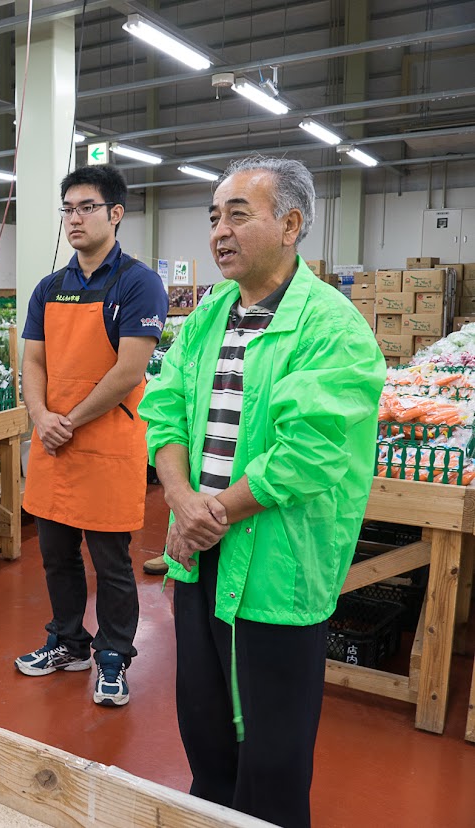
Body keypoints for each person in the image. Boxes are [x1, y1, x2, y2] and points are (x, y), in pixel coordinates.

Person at [138, 155, 383, 828]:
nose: (219, 230)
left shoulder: (333, 328)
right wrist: (182, 499)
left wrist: (212, 510)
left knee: (273, 760)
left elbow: (310, 449)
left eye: (237, 214)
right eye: (214, 216)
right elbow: (163, 407)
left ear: (291, 224)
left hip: (275, 568)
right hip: (199, 557)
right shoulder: (207, 317)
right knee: (207, 738)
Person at [14, 165, 168, 707]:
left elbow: (130, 369)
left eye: (86, 207)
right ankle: (69, 641)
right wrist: (39, 414)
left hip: (103, 444)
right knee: (55, 556)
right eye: (68, 210)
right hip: (52, 442)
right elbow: (31, 359)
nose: (74, 219)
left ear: (115, 214)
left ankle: (113, 656)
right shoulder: (50, 286)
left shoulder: (137, 283)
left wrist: (67, 420)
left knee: (111, 561)